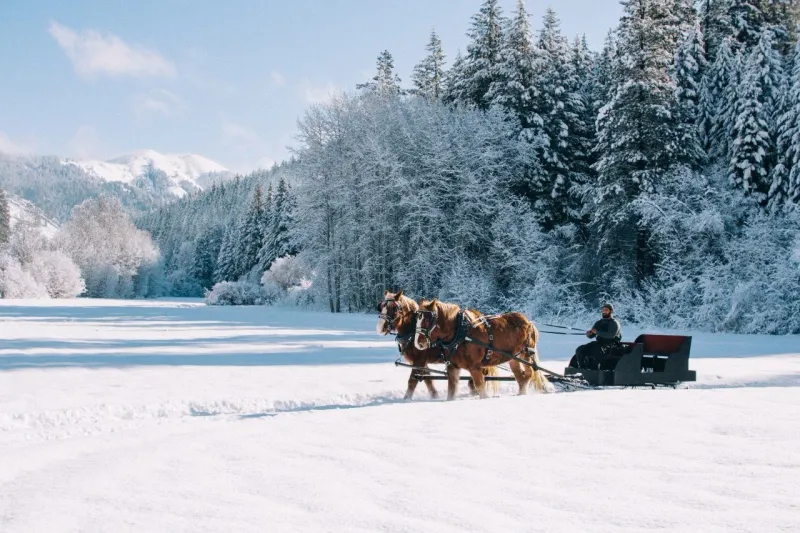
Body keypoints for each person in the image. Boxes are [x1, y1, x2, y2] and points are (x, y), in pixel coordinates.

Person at [572, 304, 622, 369]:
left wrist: (597, 332)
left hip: (611, 345)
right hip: (599, 344)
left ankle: (595, 370)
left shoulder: (614, 323)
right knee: (580, 349)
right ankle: (582, 368)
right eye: (603, 310)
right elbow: (592, 335)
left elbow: (611, 335)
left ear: (611, 311)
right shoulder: (599, 322)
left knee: (597, 350)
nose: (604, 311)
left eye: (606, 310)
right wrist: (589, 334)